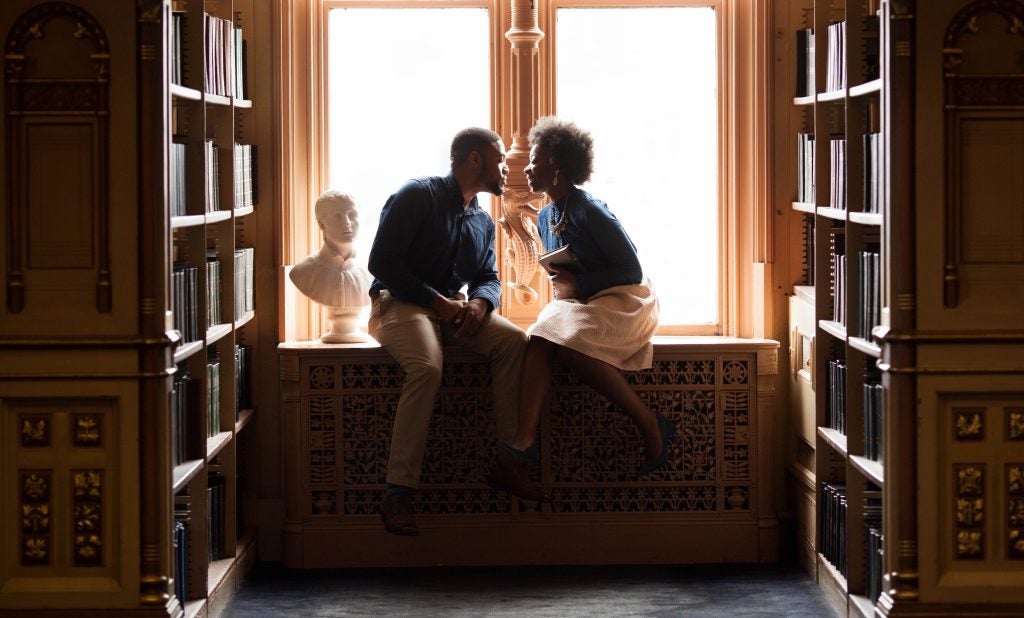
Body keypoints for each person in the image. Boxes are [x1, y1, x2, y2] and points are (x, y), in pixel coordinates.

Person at [493, 116, 675, 501]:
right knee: (542, 336)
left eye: (535, 160)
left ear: (557, 166)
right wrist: (567, 288)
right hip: (587, 304)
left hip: (627, 301)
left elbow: (631, 269)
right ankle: (524, 443)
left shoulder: (591, 209)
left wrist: (579, 285)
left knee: (556, 334)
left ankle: (648, 422)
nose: (525, 168)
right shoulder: (544, 216)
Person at [366, 127, 532, 536]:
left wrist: (480, 303)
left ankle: (506, 463)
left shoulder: (481, 218)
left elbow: (488, 277)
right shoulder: (417, 195)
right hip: (397, 304)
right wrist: (438, 302)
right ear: (474, 159)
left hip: (451, 309)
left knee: (515, 341)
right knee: (427, 367)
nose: (506, 171)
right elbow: (382, 263)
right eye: (500, 160)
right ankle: (398, 492)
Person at [289, 190, 372, 342]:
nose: (347, 222)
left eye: (352, 215)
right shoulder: (303, 272)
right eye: (338, 216)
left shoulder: (372, 270)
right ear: (322, 224)